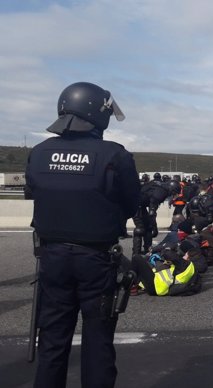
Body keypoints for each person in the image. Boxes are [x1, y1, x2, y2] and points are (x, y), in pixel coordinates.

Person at [24, 82, 140, 387]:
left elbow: (34, 192)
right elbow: (131, 203)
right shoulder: (114, 155)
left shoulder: (38, 153)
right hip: (96, 259)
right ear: (96, 113)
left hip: (52, 257)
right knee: (98, 343)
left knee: (52, 341)